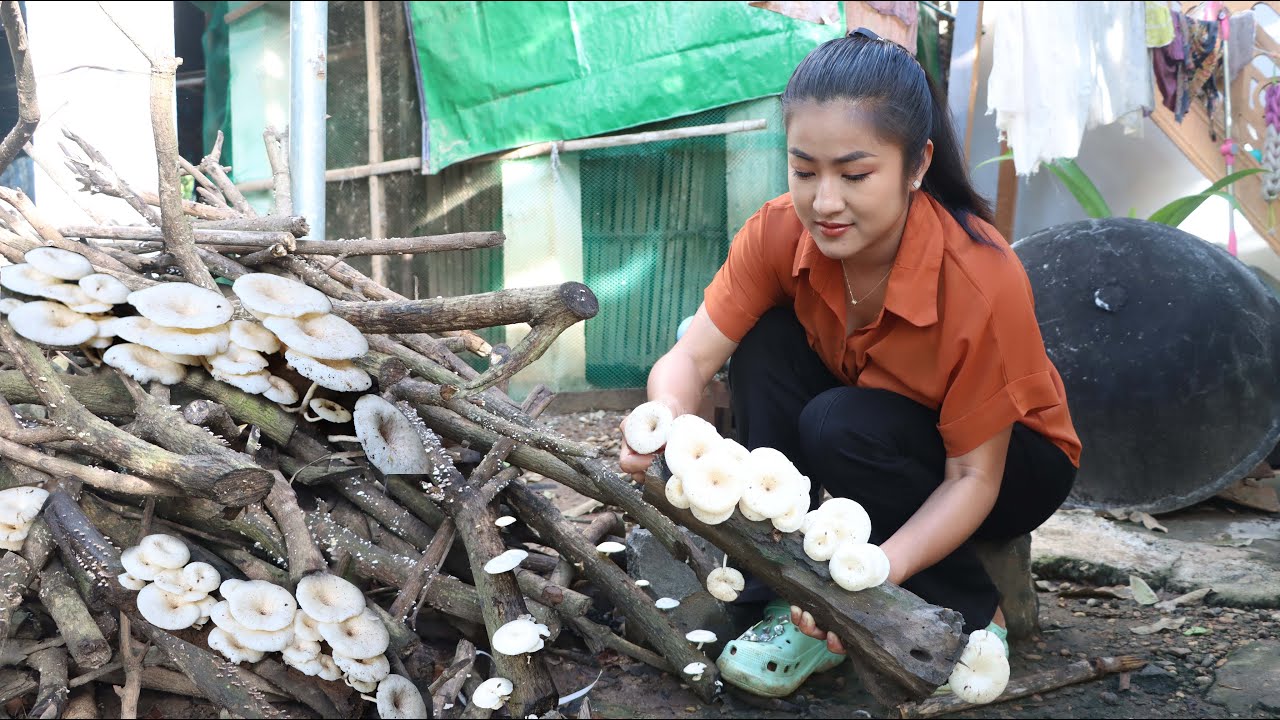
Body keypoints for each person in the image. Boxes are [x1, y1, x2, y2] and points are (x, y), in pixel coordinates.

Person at [617, 28, 1081, 699]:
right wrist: (663, 417)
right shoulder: (778, 231)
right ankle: (780, 594)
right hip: (873, 421)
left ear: (917, 165)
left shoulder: (982, 279)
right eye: (804, 171)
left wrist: (871, 575)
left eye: (855, 175)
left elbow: (973, 477)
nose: (825, 202)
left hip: (1011, 466)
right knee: (766, 345)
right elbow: (690, 356)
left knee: (838, 424)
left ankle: (974, 613)